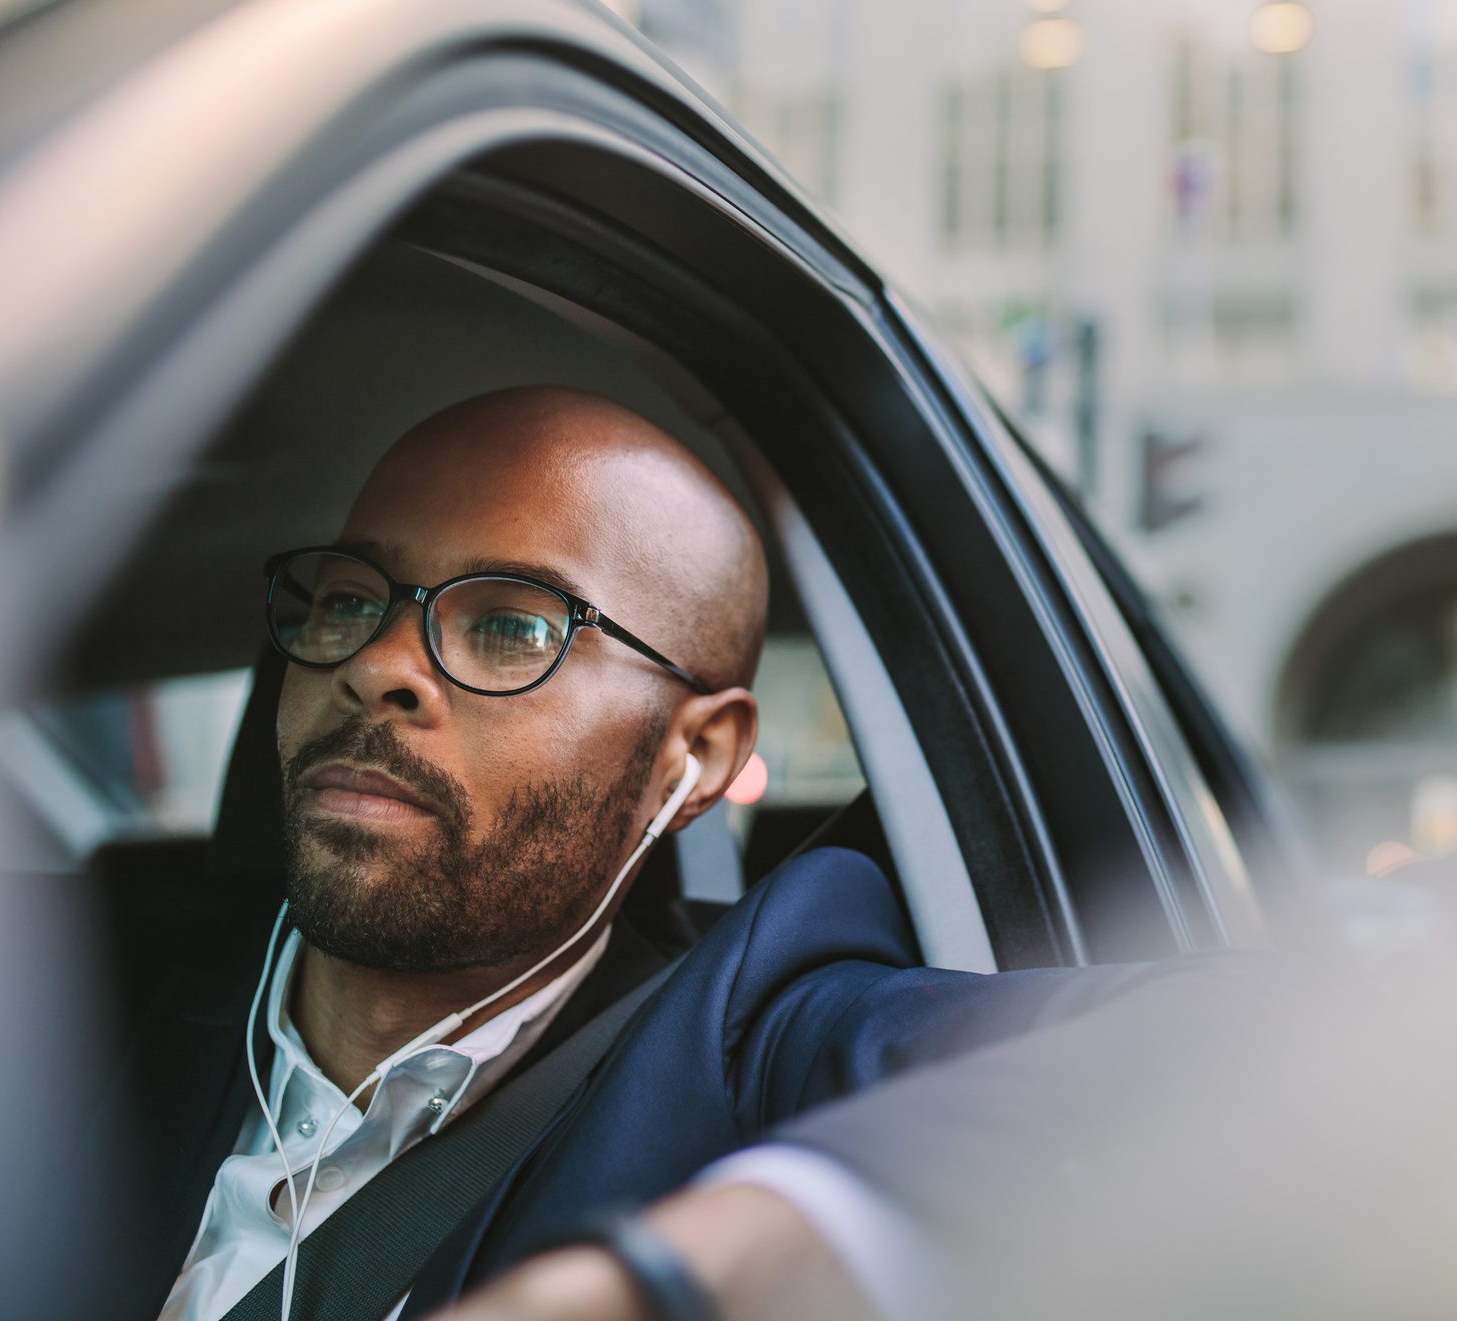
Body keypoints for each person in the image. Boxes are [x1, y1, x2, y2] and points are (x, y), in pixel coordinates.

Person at [128, 386, 1243, 1321]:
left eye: (514, 626)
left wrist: (674, 1275)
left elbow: (1248, 1048)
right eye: (351, 601)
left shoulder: (759, 1046)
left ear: (696, 755)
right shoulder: (69, 997)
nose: (379, 665)